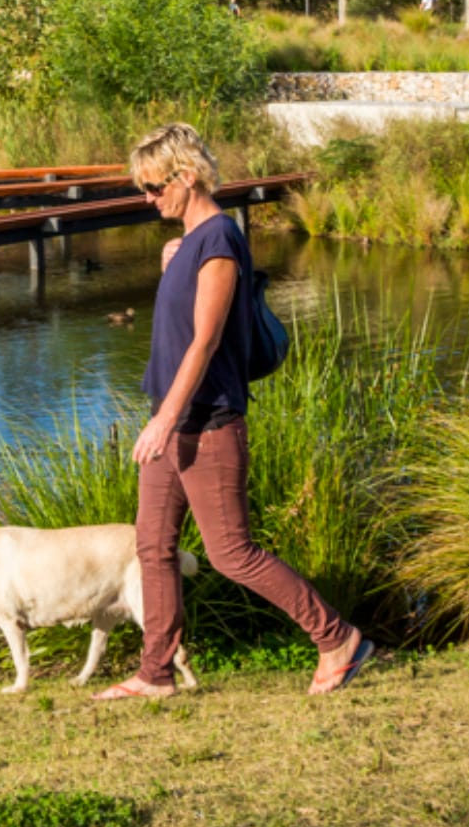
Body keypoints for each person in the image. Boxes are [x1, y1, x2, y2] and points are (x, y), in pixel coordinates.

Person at [92, 123, 372, 702]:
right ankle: (156, 673)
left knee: (231, 553)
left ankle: (339, 638)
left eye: (152, 187)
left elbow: (205, 342)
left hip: (207, 423)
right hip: (173, 423)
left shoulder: (219, 240)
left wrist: (165, 419)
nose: (147, 199)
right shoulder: (194, 241)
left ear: (185, 177)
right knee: (153, 548)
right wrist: (174, 262)